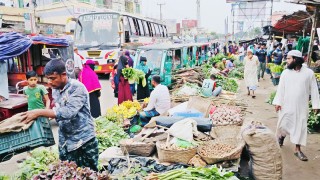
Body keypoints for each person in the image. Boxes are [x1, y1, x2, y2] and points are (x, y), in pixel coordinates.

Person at [22, 59, 98, 171]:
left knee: (89, 174)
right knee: (68, 173)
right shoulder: (56, 89)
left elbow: (68, 112)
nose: (49, 82)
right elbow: (57, 110)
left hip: (83, 141)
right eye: (48, 78)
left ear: (63, 75)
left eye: (52, 78)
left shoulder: (77, 88)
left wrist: (39, 112)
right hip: (65, 142)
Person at [273, 50, 320, 161]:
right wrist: (278, 102)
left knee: (300, 126)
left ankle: (297, 150)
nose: (286, 60)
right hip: (286, 104)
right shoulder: (285, 73)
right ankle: (281, 137)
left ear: (295, 59)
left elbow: (314, 89)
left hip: (301, 106)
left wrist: (316, 105)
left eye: (289, 58)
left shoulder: (309, 73)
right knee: (284, 123)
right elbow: (281, 89)